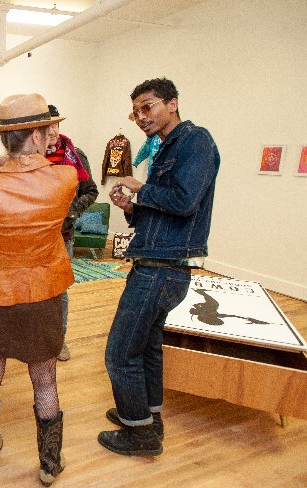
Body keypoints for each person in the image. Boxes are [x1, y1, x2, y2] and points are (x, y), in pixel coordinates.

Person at [0, 94, 77, 487]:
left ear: (5, 140)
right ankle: (49, 463)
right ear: (39, 137)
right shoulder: (66, 180)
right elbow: (47, 169)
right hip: (43, 296)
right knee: (45, 382)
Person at [99, 78, 220, 456]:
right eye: (136, 111)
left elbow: (184, 201)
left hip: (162, 268)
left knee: (120, 355)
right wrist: (134, 208)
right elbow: (168, 209)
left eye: (148, 106)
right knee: (148, 348)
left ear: (173, 103)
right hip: (156, 261)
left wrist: (139, 187)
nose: (141, 117)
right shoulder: (167, 146)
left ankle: (141, 437)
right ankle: (147, 418)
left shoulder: (195, 140)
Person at [45, 104, 99, 361]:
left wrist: (72, 211)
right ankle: (35, 339)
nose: (52, 130)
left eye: (55, 124)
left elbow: (91, 191)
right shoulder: (29, 159)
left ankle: (58, 341)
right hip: (34, 237)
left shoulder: (75, 155)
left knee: (59, 291)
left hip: (63, 236)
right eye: (47, 126)